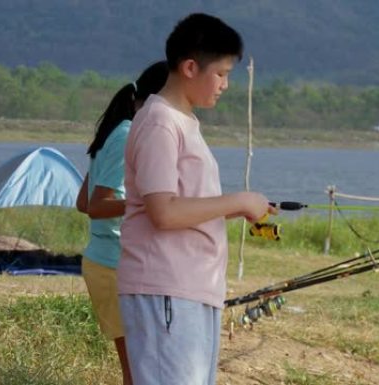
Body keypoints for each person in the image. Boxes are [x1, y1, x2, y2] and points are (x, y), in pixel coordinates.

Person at [117, 13, 277, 385]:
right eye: (220, 74)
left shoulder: (183, 122)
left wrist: (243, 207)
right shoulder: (160, 122)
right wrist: (237, 202)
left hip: (192, 289)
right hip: (166, 288)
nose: (225, 85)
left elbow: (182, 206)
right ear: (190, 67)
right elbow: (164, 212)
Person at [76, 60, 168, 385]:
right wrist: (144, 205)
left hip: (103, 264)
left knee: (138, 370)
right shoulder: (127, 135)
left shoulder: (116, 132)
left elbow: (82, 201)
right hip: (115, 268)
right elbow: (96, 206)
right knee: (142, 371)